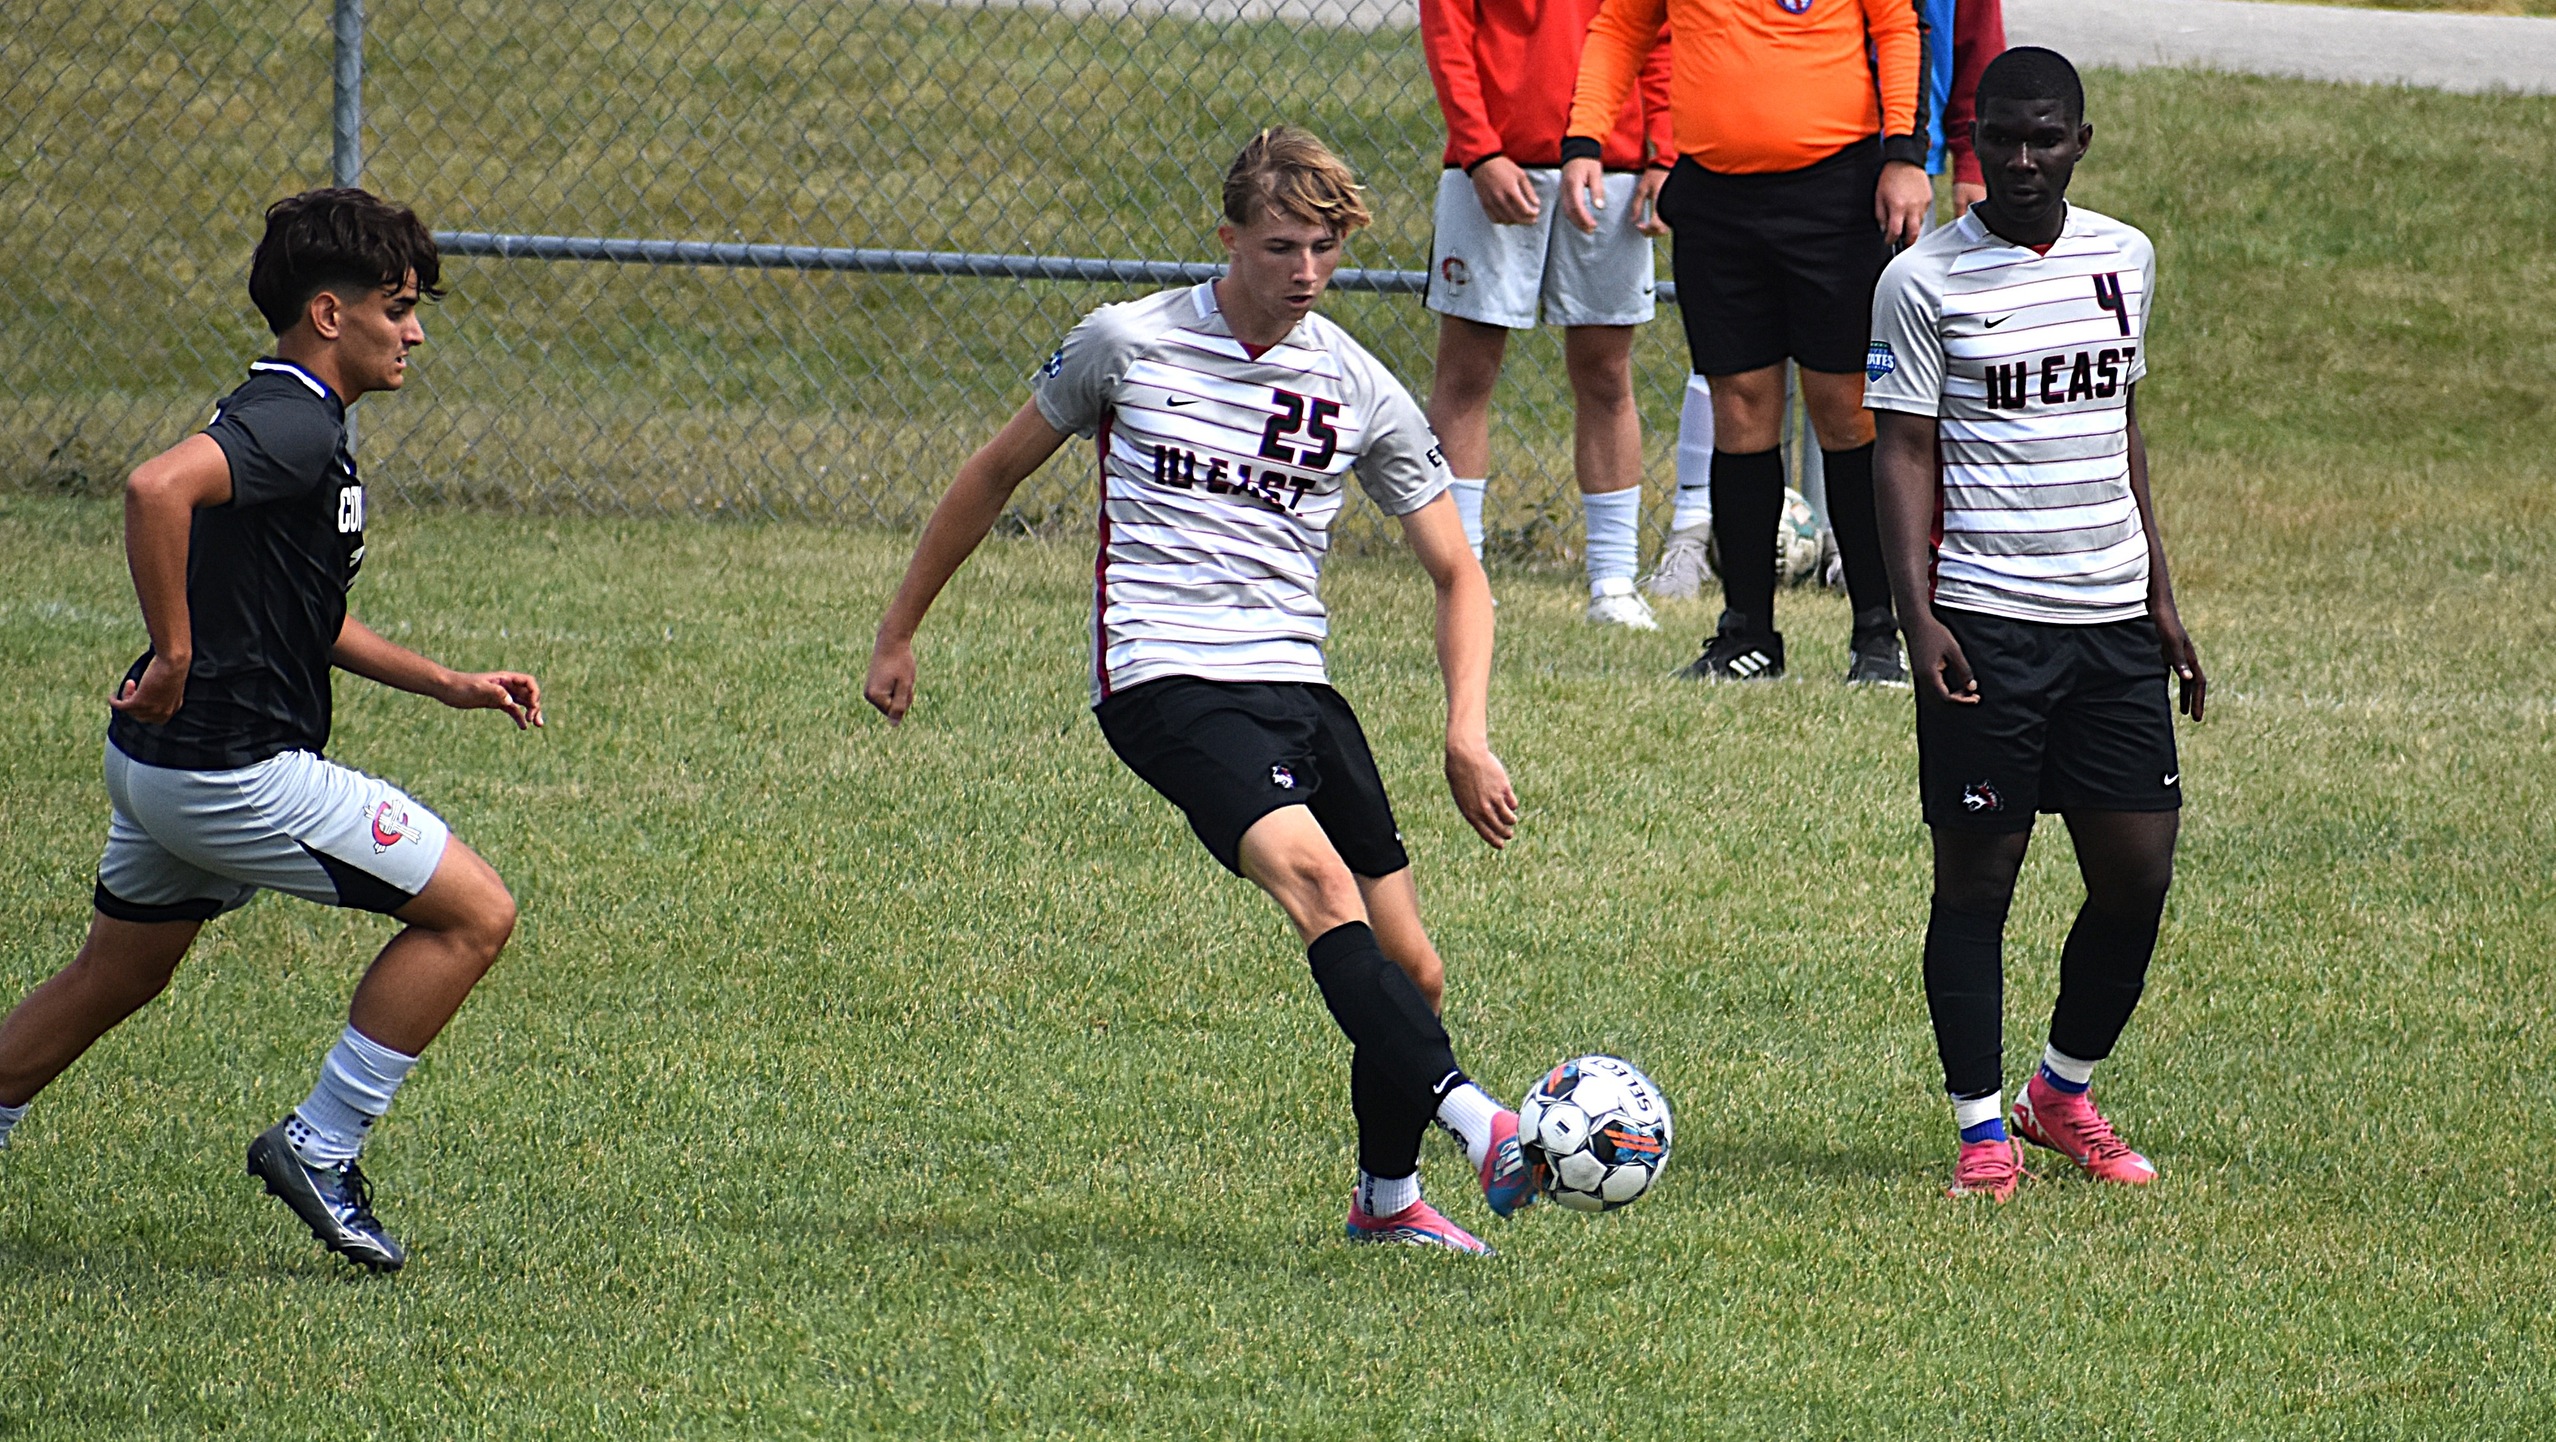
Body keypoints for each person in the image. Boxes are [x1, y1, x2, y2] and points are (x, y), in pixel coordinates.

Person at [864, 128, 1538, 1255]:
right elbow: (990, 474)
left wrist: (1465, 730)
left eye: (1325, 246)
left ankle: (1386, 1203)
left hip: (1297, 683)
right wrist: (899, 629)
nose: (1307, 270)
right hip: (1163, 675)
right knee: (1318, 883)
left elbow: (1459, 570)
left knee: (1410, 965)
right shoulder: (1124, 345)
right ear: (1227, 239)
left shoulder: (1353, 382)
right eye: (1281, 245)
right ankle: (1483, 1125)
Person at [0, 190, 541, 1271]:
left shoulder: (292, 414)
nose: (417, 330)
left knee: (116, 974)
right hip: (231, 770)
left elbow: (307, 610)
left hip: (158, 767)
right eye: (398, 306)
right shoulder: (294, 419)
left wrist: (447, 682)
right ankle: (321, 1142)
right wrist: (178, 652)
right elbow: (155, 487)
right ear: (329, 314)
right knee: (475, 914)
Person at [1865, 48, 2205, 1201]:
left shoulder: (2126, 257)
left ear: (2079, 142)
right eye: (2001, 136)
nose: (2020, 158)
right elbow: (1902, 452)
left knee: (2137, 873)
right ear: (1977, 141)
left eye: (2044, 137)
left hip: (2109, 618)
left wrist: (2160, 593)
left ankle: (2059, 1092)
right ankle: (1978, 1128)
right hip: (1988, 622)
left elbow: (2123, 422)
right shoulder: (1923, 282)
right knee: (1978, 879)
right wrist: (1918, 617)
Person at [1563, 0, 1932, 684]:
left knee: (1846, 409)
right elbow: (1620, 26)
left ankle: (1878, 633)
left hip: (1836, 188)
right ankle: (1748, 637)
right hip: (1716, 197)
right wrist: (1585, 138)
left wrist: (1905, 153)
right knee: (1739, 408)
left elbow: (1898, 27)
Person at [1418, 0, 1671, 628]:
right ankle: (1463, 573)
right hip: (1493, 166)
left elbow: (1660, 36)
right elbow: (1449, 37)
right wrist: (1478, 151)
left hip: (1613, 166)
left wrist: (1663, 153)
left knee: (1607, 375)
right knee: (1467, 372)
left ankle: (1613, 582)